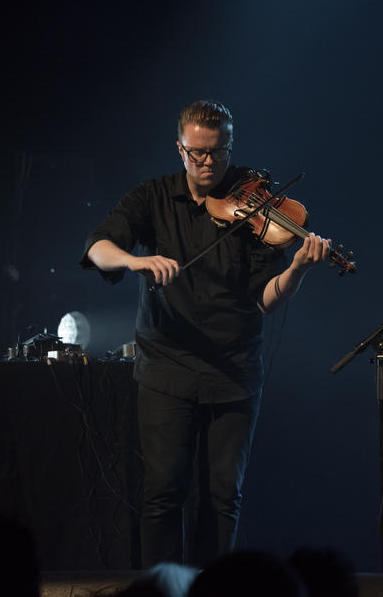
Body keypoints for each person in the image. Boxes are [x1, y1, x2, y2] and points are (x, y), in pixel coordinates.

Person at [80, 99, 330, 567]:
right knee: (163, 494)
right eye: (198, 153)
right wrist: (136, 260)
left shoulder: (254, 206)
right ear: (180, 149)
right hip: (165, 369)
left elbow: (265, 299)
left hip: (233, 371)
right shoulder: (151, 198)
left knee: (222, 497)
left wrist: (296, 270)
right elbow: (98, 248)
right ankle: (164, 592)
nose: (209, 162)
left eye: (218, 152)